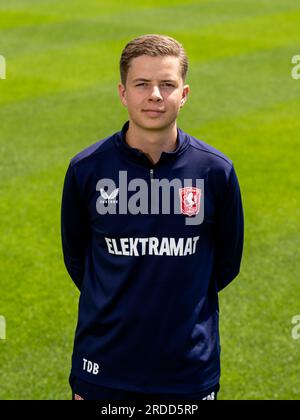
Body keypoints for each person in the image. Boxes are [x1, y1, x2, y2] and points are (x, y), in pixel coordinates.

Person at [61, 34, 244, 401]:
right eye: (142, 84)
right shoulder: (87, 170)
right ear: (123, 92)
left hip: (188, 368)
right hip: (104, 364)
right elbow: (77, 257)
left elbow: (226, 262)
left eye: (167, 84)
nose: (155, 95)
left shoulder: (215, 171)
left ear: (185, 93)